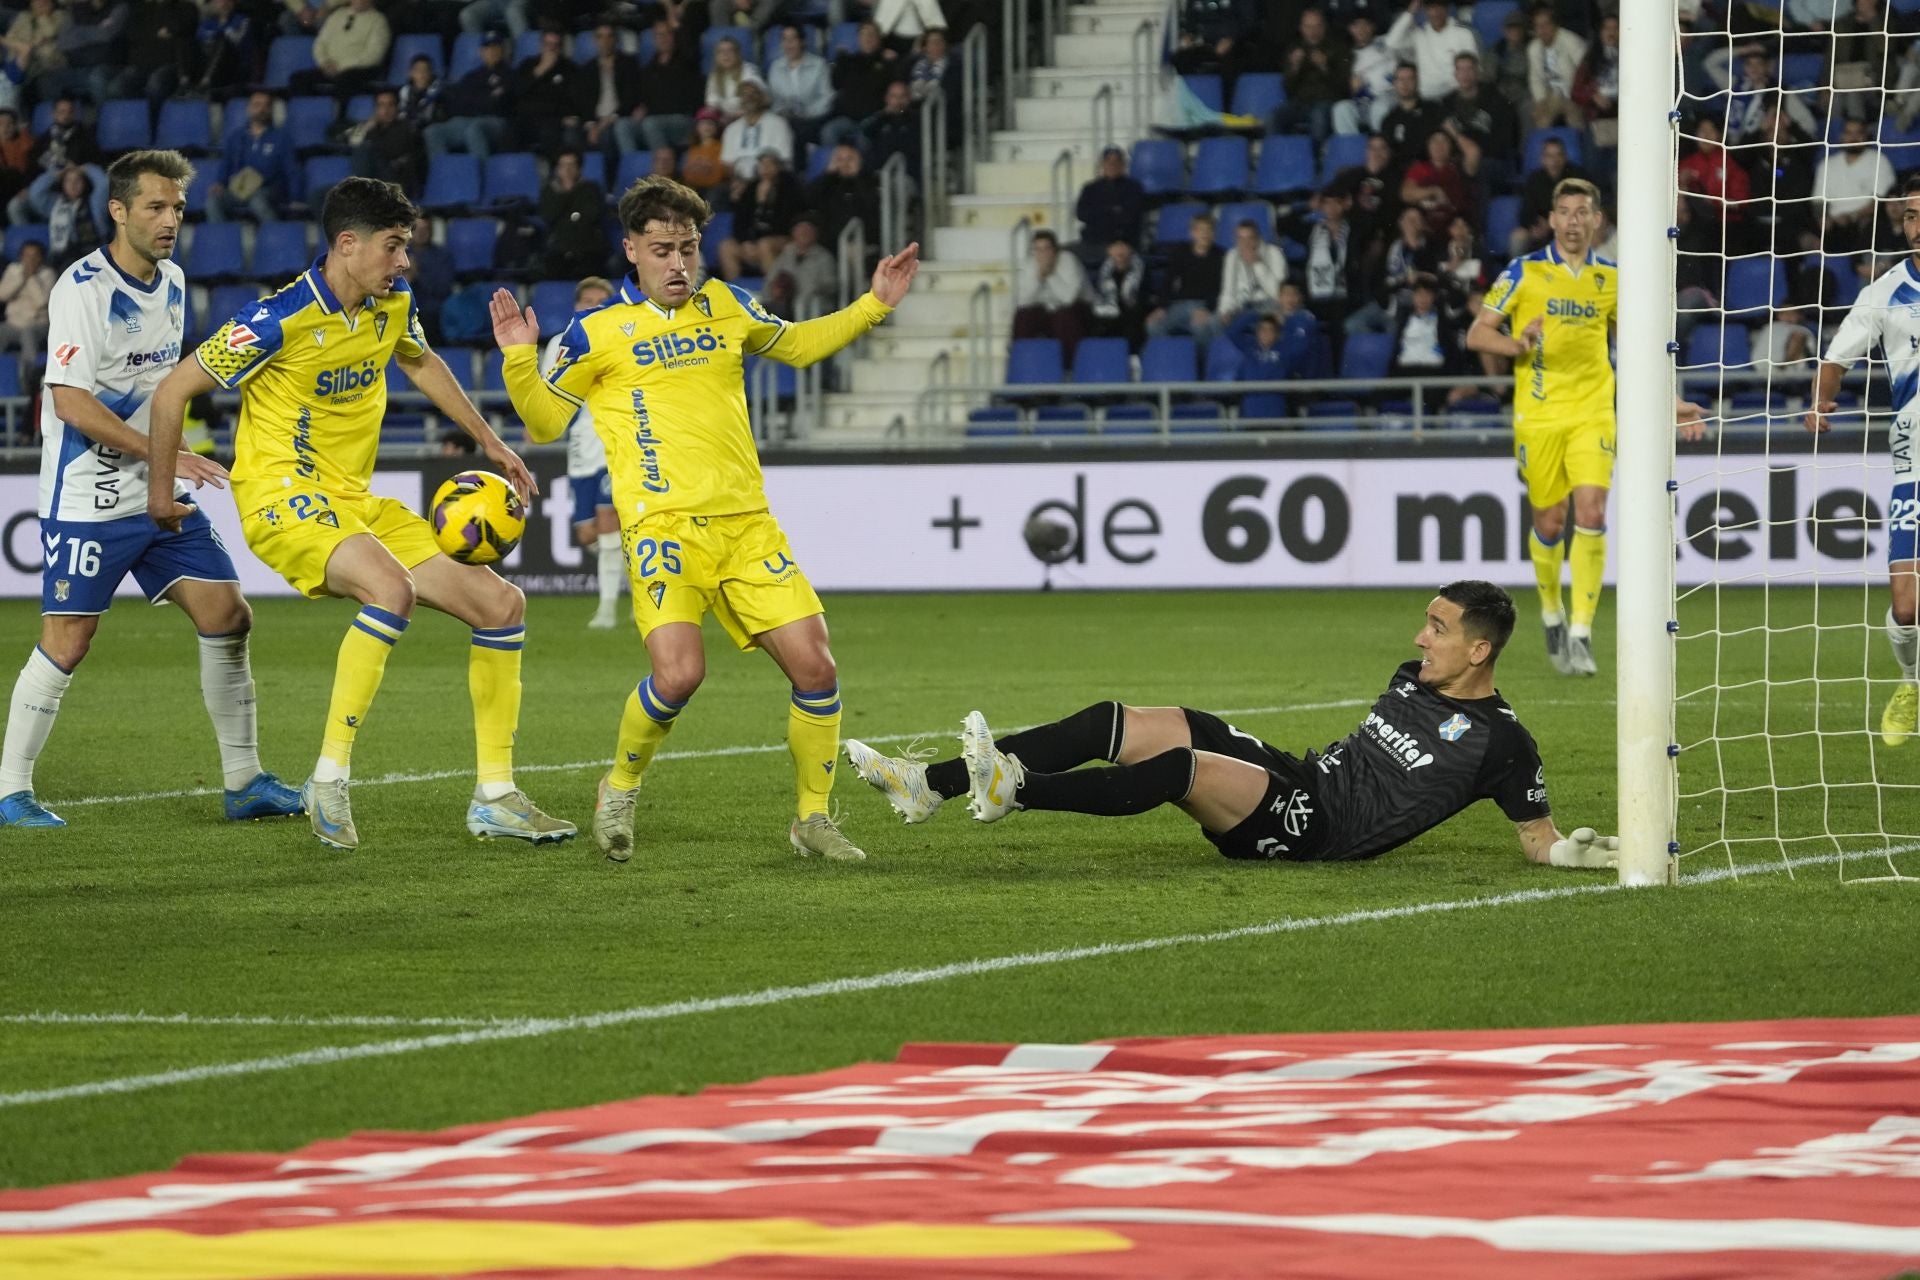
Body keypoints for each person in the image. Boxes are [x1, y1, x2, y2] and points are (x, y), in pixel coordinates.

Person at [488, 175, 921, 863]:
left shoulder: (725, 303)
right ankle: (620, 786)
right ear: (630, 249)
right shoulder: (595, 332)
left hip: (747, 526)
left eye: (688, 247)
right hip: (662, 529)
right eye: (662, 249)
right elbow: (542, 424)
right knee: (680, 675)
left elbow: (798, 344)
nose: (679, 264)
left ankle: (812, 819)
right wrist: (519, 355)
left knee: (817, 669)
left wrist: (874, 304)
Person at [145, 177, 571, 852]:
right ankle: (329, 778)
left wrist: (491, 442)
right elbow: (172, 393)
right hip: (282, 497)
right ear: (348, 244)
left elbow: (422, 360)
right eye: (395, 246)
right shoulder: (274, 318)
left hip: (353, 500)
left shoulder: (393, 302)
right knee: (390, 588)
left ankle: (496, 797)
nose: (405, 262)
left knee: (502, 606)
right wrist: (160, 493)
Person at [844, 582, 1623, 871]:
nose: (1421, 638)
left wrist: (1573, 854)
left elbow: (1535, 837)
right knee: (1123, 721)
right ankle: (928, 784)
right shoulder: (1408, 677)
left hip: (1321, 829)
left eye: (1439, 628)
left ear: (1480, 650)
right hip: (1307, 777)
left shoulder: (1503, 742)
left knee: (1182, 767)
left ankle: (1018, 788)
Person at [0, 150, 302, 830]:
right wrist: (164, 454)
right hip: (87, 496)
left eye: (178, 209)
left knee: (228, 614)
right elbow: (73, 404)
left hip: (158, 489)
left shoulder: (172, 282)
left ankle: (244, 780)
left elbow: (163, 390)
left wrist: (168, 460)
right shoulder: (80, 288)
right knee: (68, 642)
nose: (170, 222)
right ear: (118, 211)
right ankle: (10, 789)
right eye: (155, 209)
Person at [1467, 176, 1618, 676]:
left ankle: (1580, 632)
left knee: (1592, 512)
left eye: (1583, 212)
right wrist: (1518, 345)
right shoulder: (1524, 272)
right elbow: (1477, 334)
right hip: (1539, 415)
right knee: (1550, 522)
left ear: (1596, 220)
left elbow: (1641, 349)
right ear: (1552, 220)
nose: (1574, 221)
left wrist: (1674, 400)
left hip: (1593, 410)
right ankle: (1552, 611)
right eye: (1566, 213)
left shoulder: (1614, 280)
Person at [1805, 174, 1920, 747]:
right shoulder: (1885, 291)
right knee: (1906, 605)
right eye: (1910, 216)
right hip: (1913, 461)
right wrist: (1822, 399)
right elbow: (1836, 356)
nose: (1917, 226)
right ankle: (1910, 682)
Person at [542, 275, 623, 630]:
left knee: (608, 521)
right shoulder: (560, 343)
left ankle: (606, 609)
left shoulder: (622, 336)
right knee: (587, 533)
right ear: (575, 305)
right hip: (581, 443)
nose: (591, 305)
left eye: (599, 300)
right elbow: (549, 389)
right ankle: (638, 576)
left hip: (617, 438)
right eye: (585, 300)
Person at [206, 91, 296, 224]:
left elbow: (291, 169)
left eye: (266, 106)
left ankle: (275, 236)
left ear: (271, 110)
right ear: (248, 108)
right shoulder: (236, 137)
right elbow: (226, 163)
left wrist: (296, 197)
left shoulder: (281, 138)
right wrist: (220, 182)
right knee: (213, 201)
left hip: (268, 189)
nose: (262, 109)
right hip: (240, 187)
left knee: (257, 201)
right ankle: (222, 241)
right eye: (257, 105)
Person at [1012, 228, 1088, 359]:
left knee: (1063, 317)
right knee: (1023, 316)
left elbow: (1068, 299)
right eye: (1038, 249)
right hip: (1048, 312)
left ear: (1055, 250)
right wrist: (1039, 277)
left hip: (1079, 310)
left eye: (1046, 248)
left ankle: (1069, 367)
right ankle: (1022, 361)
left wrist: (1050, 274)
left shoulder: (1069, 261)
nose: (1042, 254)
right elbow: (1023, 301)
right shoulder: (1030, 264)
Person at [538, 150, 609, 280]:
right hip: (559, 250)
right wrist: (569, 193)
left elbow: (591, 215)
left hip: (588, 248)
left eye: (572, 165)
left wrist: (570, 191)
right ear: (557, 168)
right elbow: (549, 216)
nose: (568, 169)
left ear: (579, 168)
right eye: (563, 165)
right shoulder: (550, 191)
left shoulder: (591, 188)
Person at [1075, 145, 1145, 253]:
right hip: (1094, 242)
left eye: (1117, 161)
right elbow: (1081, 214)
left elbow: (1130, 216)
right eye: (1108, 161)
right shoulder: (1090, 188)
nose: (1112, 165)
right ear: (1102, 164)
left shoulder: (1133, 188)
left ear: (1123, 165)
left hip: (1124, 243)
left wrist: (1099, 211)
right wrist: (1112, 210)